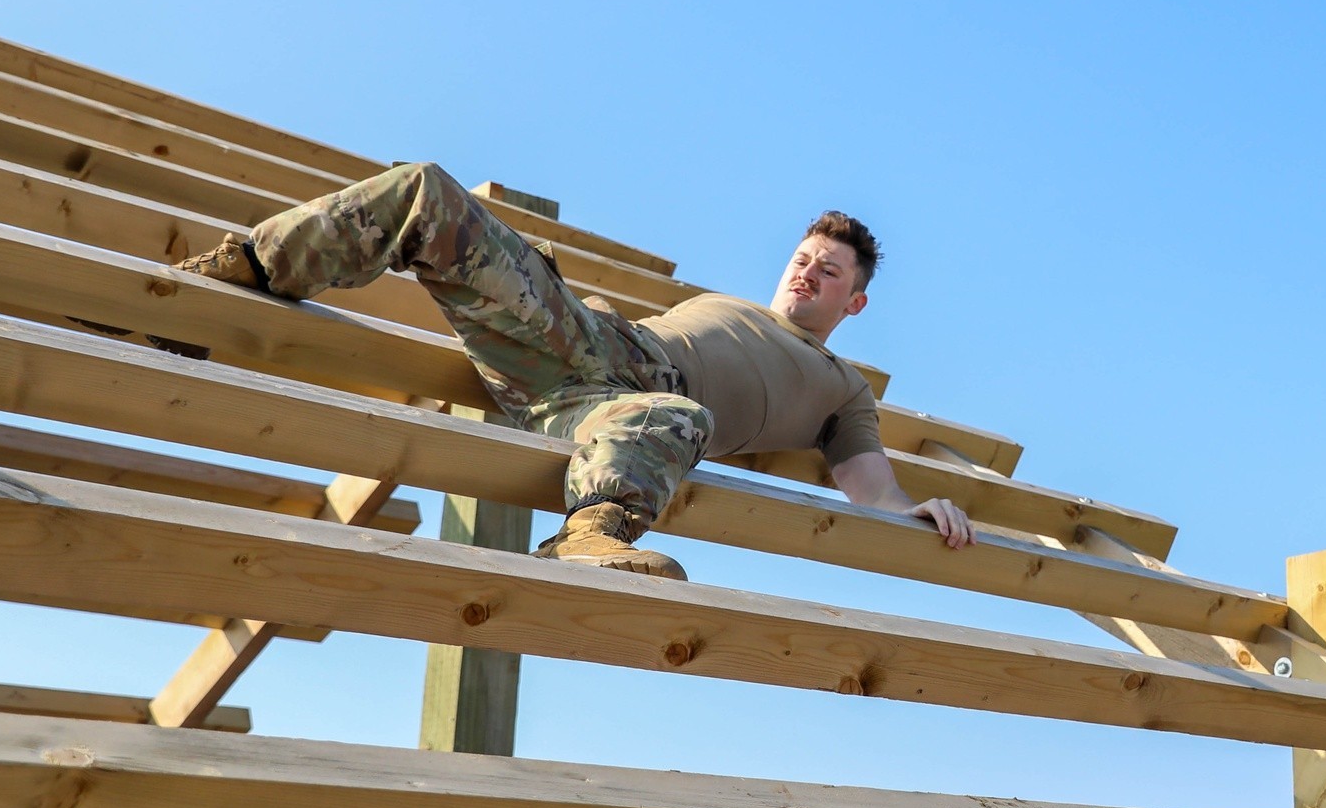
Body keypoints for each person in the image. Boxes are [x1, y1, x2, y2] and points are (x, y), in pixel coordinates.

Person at [171, 161, 974, 579]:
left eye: (828, 272)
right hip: (587, 343)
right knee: (427, 193)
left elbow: (873, 490)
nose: (806, 274)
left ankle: (589, 534)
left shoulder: (843, 386)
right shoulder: (723, 302)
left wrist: (918, 510)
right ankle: (230, 275)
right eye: (803, 259)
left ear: (855, 302)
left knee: (680, 417)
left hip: (617, 414)